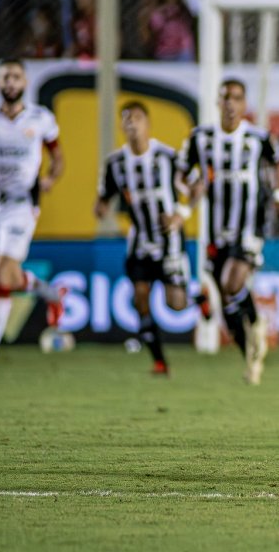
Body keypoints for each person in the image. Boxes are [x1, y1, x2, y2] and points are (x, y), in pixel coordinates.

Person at [181, 79, 279, 385]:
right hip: (215, 231)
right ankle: (251, 358)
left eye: (237, 98)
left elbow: (278, 165)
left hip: (249, 225)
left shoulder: (259, 138)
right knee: (226, 300)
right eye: (225, 97)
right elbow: (182, 173)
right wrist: (190, 186)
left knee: (231, 282)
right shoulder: (200, 139)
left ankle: (256, 323)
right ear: (217, 102)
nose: (230, 103)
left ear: (244, 104)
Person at [0, 58, 65, 371]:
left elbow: (57, 156)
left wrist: (50, 179)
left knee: (2, 272)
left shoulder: (41, 118)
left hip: (22, 202)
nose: (10, 82)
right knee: (6, 276)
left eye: (15, 77)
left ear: (25, 82)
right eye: (5, 77)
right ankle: (50, 292)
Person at [95, 101, 190, 376]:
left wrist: (180, 214)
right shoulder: (115, 164)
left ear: (148, 124)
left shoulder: (168, 158)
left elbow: (195, 187)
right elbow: (104, 197)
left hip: (168, 241)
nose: (132, 124)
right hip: (139, 241)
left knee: (177, 304)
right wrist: (100, 208)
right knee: (140, 297)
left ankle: (198, 296)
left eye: (136, 118)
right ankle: (159, 361)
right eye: (126, 119)